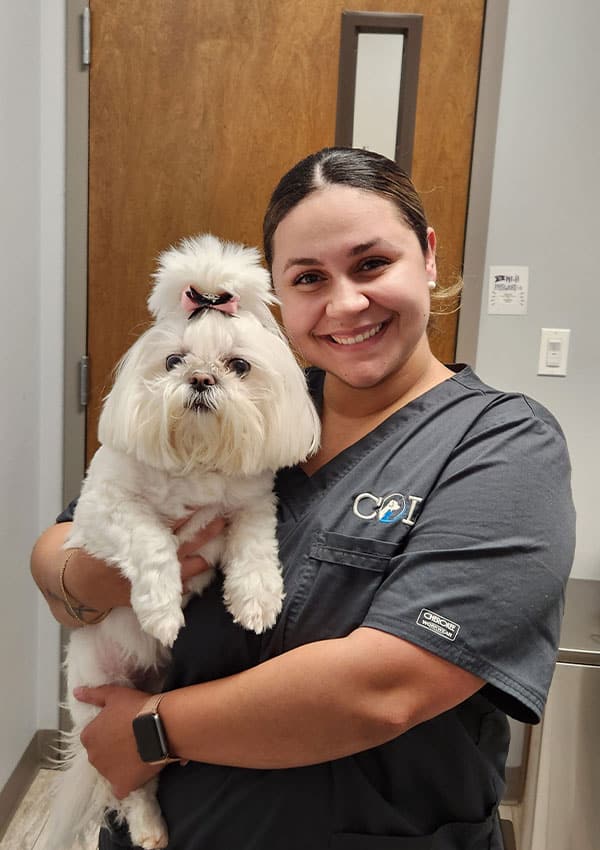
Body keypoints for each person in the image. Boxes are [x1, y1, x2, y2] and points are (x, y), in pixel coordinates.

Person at [31, 147, 575, 850]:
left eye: (372, 264)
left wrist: (150, 730)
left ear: (430, 256)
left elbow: (385, 689)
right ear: (280, 295)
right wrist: (100, 573)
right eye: (310, 278)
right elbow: (59, 556)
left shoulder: (503, 447)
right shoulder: (249, 405)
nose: (346, 303)